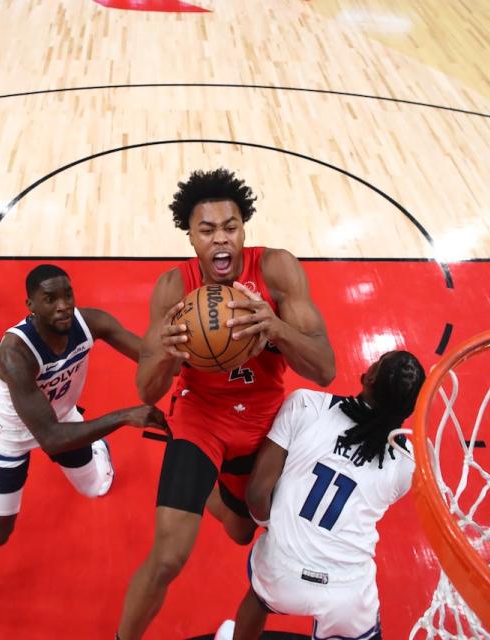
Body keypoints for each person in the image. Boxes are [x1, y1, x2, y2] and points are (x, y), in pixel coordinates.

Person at [117, 168, 337, 638]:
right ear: (191, 238)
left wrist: (276, 327)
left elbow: (326, 369)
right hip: (201, 420)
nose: (222, 240)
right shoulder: (175, 289)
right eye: (208, 230)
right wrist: (170, 358)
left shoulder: (276, 269)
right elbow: (146, 391)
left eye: (231, 227)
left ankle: (213, 490)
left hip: (264, 420)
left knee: (241, 533)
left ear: (244, 228)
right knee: (168, 558)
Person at [0, 264, 169, 637]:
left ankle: (94, 444)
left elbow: (149, 353)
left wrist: (189, 349)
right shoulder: (15, 353)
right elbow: (50, 438)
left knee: (95, 488)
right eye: (50, 299)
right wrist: (124, 416)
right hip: (13, 434)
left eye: (68, 295)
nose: (63, 305)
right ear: (30, 305)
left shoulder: (91, 323)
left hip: (62, 417)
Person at [214, 350, 426, 640]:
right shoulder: (408, 463)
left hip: (281, 570)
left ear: (371, 376)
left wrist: (273, 524)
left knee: (258, 599)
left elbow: (257, 493)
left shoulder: (306, 404)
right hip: (347, 589)